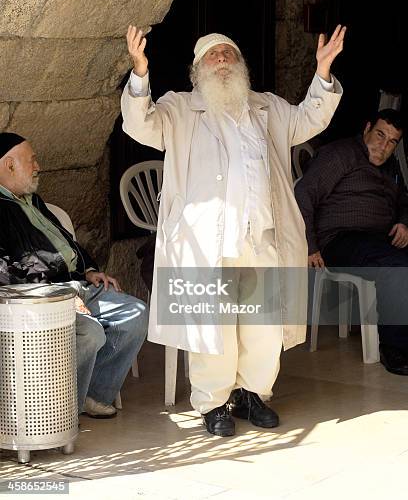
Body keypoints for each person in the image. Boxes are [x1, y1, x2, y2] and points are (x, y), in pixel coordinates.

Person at [121, 25, 346, 436]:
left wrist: (324, 70)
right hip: (206, 241)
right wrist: (140, 72)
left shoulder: (266, 107)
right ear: (198, 69)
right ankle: (213, 403)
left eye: (228, 53)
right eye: (213, 55)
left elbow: (310, 117)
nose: (222, 59)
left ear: (240, 64)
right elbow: (140, 126)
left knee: (262, 324)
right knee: (215, 325)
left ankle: (253, 393)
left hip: (261, 234)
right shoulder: (180, 109)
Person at [0, 133, 148, 418]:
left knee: (135, 314)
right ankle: (61, 408)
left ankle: (92, 394)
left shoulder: (34, 201)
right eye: (31, 160)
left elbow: (66, 244)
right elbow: (7, 271)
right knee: (88, 332)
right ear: (9, 166)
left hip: (77, 285)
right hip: (44, 297)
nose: (38, 166)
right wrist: (59, 292)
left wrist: (89, 270)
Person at [295, 109, 408, 375]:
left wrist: (403, 222)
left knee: (395, 260)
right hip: (340, 239)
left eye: (392, 141)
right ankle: (396, 347)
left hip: (380, 239)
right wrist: (310, 245)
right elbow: (304, 193)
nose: (384, 145)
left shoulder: (390, 166)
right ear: (367, 127)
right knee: (395, 266)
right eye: (380, 135)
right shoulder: (341, 154)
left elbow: (404, 198)